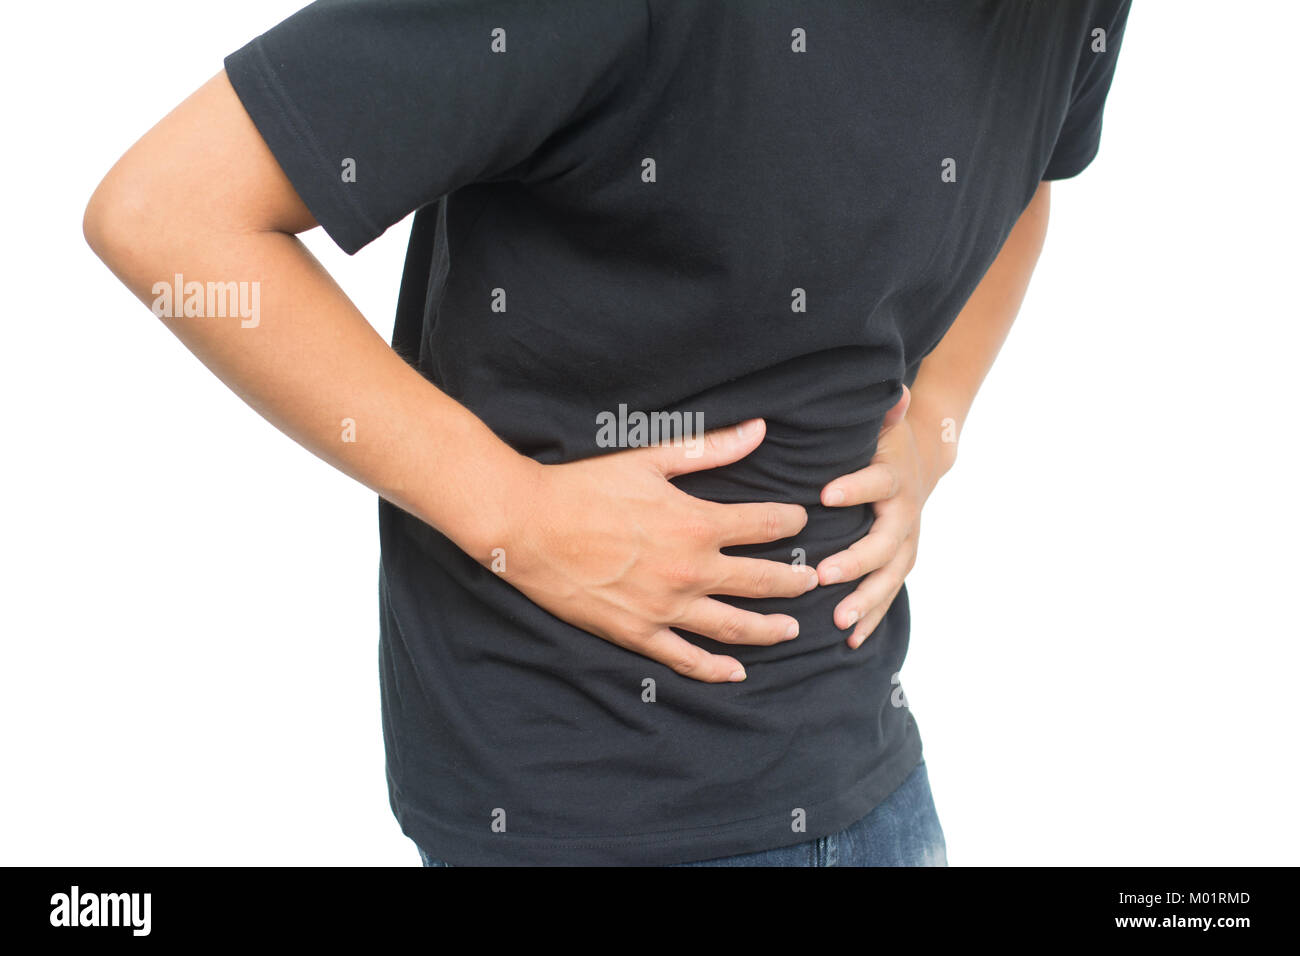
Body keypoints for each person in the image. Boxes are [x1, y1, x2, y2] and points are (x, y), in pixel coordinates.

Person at [83, 0, 1130, 866]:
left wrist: (935, 420)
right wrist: (516, 514)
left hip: (864, 768)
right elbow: (169, 210)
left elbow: (1036, 172)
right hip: (584, 798)